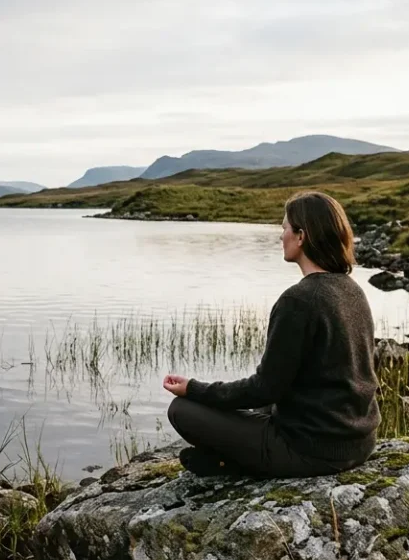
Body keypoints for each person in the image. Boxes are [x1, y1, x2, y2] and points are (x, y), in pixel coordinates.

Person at [162, 191, 379, 478]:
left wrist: (195, 389)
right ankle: (227, 461)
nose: (281, 236)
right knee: (263, 408)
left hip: (311, 451)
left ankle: (235, 463)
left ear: (301, 236)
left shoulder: (299, 300)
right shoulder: (351, 289)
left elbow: (265, 388)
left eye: (285, 228)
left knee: (182, 410)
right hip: (359, 443)